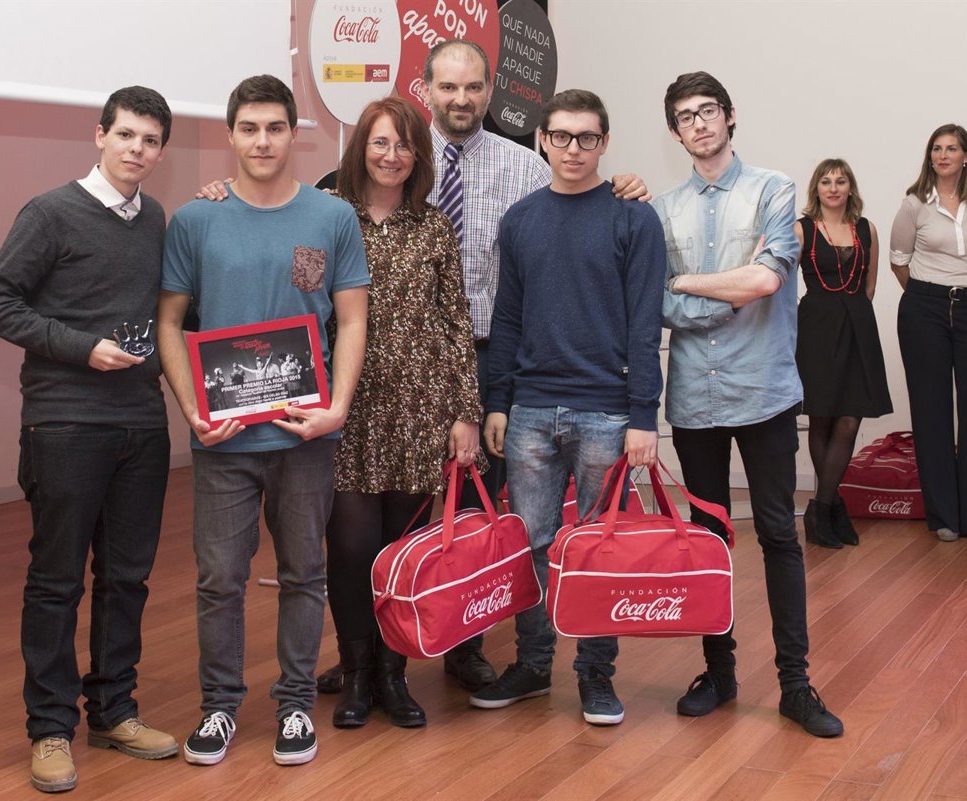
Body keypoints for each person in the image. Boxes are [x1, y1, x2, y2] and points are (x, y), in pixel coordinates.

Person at [196, 40, 650, 694]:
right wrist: (224, 197)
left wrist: (624, 186)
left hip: (474, 368)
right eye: (447, 87)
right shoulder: (330, 207)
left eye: (473, 87)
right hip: (352, 390)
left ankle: (457, 646)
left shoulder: (519, 171)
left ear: (489, 90)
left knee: (471, 522)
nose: (460, 99)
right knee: (357, 540)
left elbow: (572, 201)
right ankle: (364, 662)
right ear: (425, 89)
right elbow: (302, 291)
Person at [157, 75, 369, 768]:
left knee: (305, 573)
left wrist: (337, 407)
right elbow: (168, 322)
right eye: (249, 128)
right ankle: (219, 707)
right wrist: (193, 409)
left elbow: (351, 319)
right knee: (219, 579)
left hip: (306, 435)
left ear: (293, 134)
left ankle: (295, 705)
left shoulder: (332, 217)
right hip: (223, 440)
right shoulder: (196, 220)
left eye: (275, 127)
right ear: (231, 135)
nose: (263, 140)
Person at [0, 86, 179, 793]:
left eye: (149, 140)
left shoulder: (156, 218)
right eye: (125, 135)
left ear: (160, 150)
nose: (136, 150)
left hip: (142, 426)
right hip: (64, 423)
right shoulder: (49, 212)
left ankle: (114, 711)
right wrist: (79, 346)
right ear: (99, 135)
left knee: (127, 578)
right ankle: (50, 728)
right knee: (57, 580)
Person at [648, 71, 843, 737]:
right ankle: (719, 672)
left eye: (708, 110)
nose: (699, 123)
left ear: (730, 116)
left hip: (764, 393)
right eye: (686, 116)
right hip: (695, 399)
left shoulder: (773, 189)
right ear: (675, 132)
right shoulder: (663, 211)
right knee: (707, 542)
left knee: (780, 534)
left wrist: (687, 283)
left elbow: (765, 281)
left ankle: (796, 684)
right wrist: (717, 296)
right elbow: (656, 302)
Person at [471, 89, 665, 726]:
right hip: (529, 410)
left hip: (607, 413)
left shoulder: (633, 220)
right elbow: (507, 318)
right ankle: (532, 665)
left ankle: (594, 674)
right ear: (542, 141)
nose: (573, 149)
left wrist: (644, 416)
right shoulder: (521, 220)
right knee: (528, 544)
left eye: (586, 137)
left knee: (597, 548)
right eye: (561, 136)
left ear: (604, 142)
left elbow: (645, 324)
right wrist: (498, 402)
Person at [326, 95, 485, 730]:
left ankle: (393, 675)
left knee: (400, 551)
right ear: (360, 149)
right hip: (347, 409)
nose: (392, 156)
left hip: (421, 411)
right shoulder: (329, 216)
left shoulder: (433, 226)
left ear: (419, 155)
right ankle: (355, 674)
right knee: (350, 548)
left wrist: (465, 412)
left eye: (404, 144)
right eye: (380, 143)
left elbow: (455, 322)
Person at [890, 124, 967, 542]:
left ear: (966, 156)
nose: (942, 155)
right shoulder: (915, 202)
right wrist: (930, 296)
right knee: (931, 409)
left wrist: (962, 290)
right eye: (936, 148)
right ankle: (943, 517)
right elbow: (898, 260)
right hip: (924, 308)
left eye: (951, 148)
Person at [795, 159, 892, 548]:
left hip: (857, 327)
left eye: (840, 181)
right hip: (816, 328)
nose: (833, 187)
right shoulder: (801, 229)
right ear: (816, 188)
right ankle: (830, 509)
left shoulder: (867, 229)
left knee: (850, 419)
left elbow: (869, 287)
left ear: (850, 187)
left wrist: (852, 317)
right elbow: (780, 279)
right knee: (822, 418)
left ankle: (823, 507)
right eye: (826, 181)